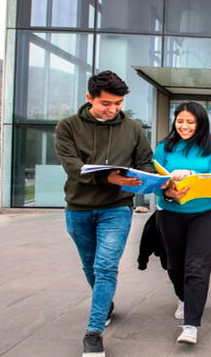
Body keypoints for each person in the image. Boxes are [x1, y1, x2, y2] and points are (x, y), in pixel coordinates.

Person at [54, 70, 154, 357]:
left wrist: (148, 180)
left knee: (105, 267)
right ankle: (106, 303)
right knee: (90, 266)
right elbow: (72, 166)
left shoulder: (133, 128)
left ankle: (94, 331)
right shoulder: (67, 126)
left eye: (118, 104)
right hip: (79, 209)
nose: (113, 110)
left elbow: (144, 161)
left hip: (116, 208)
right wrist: (106, 177)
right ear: (89, 98)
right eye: (106, 104)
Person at [153, 102, 211, 344]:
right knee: (174, 265)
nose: (184, 126)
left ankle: (191, 324)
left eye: (190, 122)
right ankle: (183, 298)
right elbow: (155, 179)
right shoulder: (164, 147)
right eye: (180, 121)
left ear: (200, 123)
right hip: (170, 213)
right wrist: (167, 192)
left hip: (204, 214)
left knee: (197, 266)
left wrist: (193, 176)